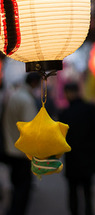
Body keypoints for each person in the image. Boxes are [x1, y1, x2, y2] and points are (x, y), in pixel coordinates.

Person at [59, 82, 95, 215]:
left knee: (73, 192)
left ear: (67, 94)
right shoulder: (90, 109)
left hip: (72, 160)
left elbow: (61, 139)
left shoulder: (65, 114)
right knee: (88, 191)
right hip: (88, 159)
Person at [2, 72, 39, 215]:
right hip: (21, 153)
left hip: (11, 148)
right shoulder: (26, 100)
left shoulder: (15, 96)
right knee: (22, 190)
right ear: (35, 83)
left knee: (16, 186)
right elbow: (30, 130)